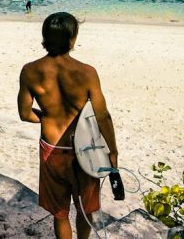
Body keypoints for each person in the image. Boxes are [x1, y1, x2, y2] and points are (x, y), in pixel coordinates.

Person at [18, 12, 120, 239]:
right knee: (85, 210)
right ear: (72, 39)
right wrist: (112, 151)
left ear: (45, 36)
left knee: (60, 213)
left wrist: (47, 118)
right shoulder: (87, 72)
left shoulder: (30, 71)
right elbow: (103, 116)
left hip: (51, 149)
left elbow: (25, 114)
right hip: (85, 150)